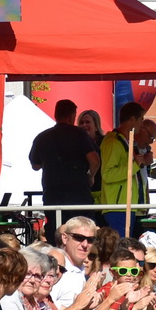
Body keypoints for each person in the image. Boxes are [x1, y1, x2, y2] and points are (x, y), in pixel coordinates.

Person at [30, 99, 101, 235]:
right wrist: (90, 176)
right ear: (72, 116)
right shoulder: (80, 135)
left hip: (52, 194)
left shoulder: (42, 137)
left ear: (56, 114)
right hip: (78, 195)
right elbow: (94, 159)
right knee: (83, 231)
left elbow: (35, 165)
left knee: (57, 232)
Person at [95, 102, 147, 234]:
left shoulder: (123, 140)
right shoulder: (113, 142)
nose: (142, 124)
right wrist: (135, 165)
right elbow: (108, 174)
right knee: (120, 248)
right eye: (141, 119)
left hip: (126, 206)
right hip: (117, 207)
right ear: (132, 119)